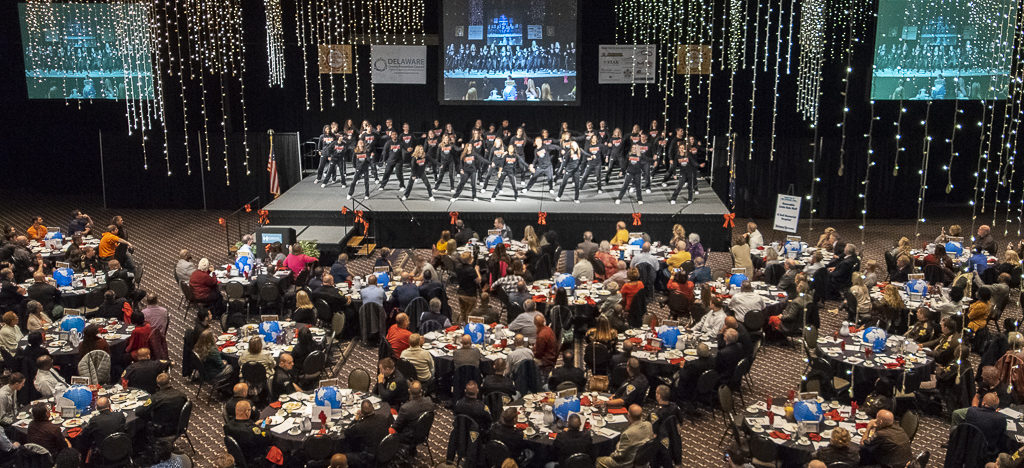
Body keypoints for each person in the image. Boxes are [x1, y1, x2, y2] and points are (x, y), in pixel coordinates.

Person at [136, 373, 188, 438]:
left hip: (162, 430)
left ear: (158, 385)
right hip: (179, 427)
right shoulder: (182, 395)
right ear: (170, 381)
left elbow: (139, 412)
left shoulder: (156, 398)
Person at [223, 400, 273, 468]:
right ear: (246, 412)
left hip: (240, 456)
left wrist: (255, 424)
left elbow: (249, 431)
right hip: (254, 459)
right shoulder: (250, 430)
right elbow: (267, 437)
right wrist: (266, 424)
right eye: (250, 410)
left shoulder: (228, 426)